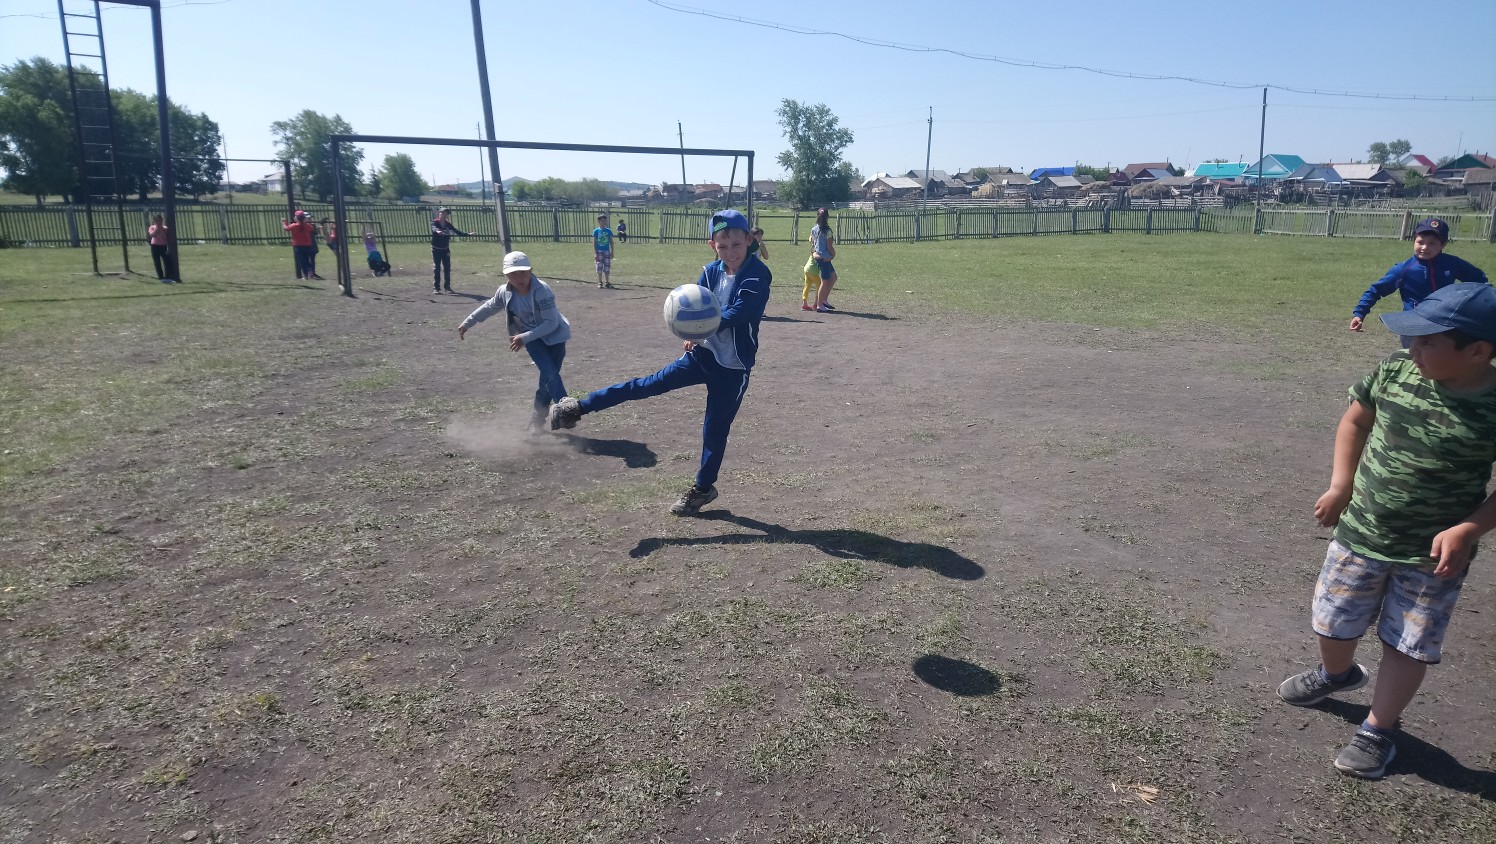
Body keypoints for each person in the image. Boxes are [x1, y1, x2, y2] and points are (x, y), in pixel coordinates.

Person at [1278, 283, 1496, 780]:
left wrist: (1469, 529)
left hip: (1432, 558)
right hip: (1362, 533)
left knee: (1407, 642)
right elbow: (1355, 422)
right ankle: (1336, 674)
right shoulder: (1396, 371)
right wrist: (1341, 484)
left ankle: (1378, 728)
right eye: (1411, 338)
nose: (1412, 348)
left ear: (1477, 351)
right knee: (1332, 621)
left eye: (1427, 341)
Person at [548, 209, 771, 515]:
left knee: (714, 430)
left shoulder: (758, 274)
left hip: (732, 368)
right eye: (722, 246)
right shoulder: (710, 272)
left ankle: (703, 489)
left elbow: (742, 311)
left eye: (736, 244)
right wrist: (692, 332)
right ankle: (577, 407)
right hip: (702, 356)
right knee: (644, 386)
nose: (730, 252)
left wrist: (702, 326)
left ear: (748, 240)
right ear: (712, 245)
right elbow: (694, 302)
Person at [458, 251, 573, 436]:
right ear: (506, 275)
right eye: (513, 274)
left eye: (523, 272)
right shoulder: (505, 292)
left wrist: (523, 337)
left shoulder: (542, 290)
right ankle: (566, 408)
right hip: (532, 339)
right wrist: (468, 322)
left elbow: (551, 323)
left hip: (555, 338)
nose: (519, 278)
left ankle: (537, 420)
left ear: (531, 271)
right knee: (550, 374)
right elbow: (490, 306)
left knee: (547, 379)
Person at [1350, 218, 1488, 344]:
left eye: (1432, 243)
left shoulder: (1452, 264)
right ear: (1414, 241)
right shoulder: (1404, 269)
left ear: (1443, 244)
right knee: (1414, 360)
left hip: (1443, 324)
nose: (1425, 247)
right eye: (1420, 242)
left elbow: (1481, 281)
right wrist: (1359, 314)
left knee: (1442, 360)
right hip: (1413, 327)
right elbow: (1376, 290)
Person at [431, 207, 470, 294]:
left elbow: (457, 232)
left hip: (445, 249)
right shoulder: (435, 222)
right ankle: (436, 288)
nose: (444, 215)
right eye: (443, 213)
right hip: (436, 249)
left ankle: (447, 287)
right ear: (439, 213)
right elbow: (434, 228)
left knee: (447, 268)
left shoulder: (448, 224)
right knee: (437, 268)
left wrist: (467, 234)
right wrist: (437, 231)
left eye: (446, 214)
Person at [809, 207, 838, 312]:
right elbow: (829, 246)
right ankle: (819, 305)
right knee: (824, 282)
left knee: (833, 277)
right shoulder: (828, 231)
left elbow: (812, 242)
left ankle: (824, 300)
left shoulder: (814, 229)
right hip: (825, 258)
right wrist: (833, 254)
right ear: (827, 217)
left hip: (819, 256)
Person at [281, 210, 322, 280]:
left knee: (301, 260)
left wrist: (284, 223)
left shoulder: (294, 225)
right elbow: (312, 229)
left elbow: (286, 228)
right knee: (306, 259)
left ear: (296, 218)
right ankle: (310, 272)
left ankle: (305, 275)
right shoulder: (307, 226)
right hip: (307, 244)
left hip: (298, 245)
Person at [147, 214, 177, 284]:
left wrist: (161, 229)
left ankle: (167, 276)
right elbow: (151, 235)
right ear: (154, 221)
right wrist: (156, 228)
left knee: (167, 261)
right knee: (157, 262)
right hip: (155, 246)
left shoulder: (165, 228)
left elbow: (164, 236)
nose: (158, 222)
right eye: (156, 220)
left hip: (163, 246)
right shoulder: (152, 227)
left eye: (159, 220)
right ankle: (160, 277)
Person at [593, 214, 615, 288]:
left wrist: (612, 252)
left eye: (605, 221)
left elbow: (611, 242)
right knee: (599, 266)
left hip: (606, 251)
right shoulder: (596, 231)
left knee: (607, 266)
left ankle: (607, 282)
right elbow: (594, 243)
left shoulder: (608, 231)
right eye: (602, 221)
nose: (604, 222)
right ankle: (600, 282)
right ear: (599, 222)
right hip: (599, 251)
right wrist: (595, 253)